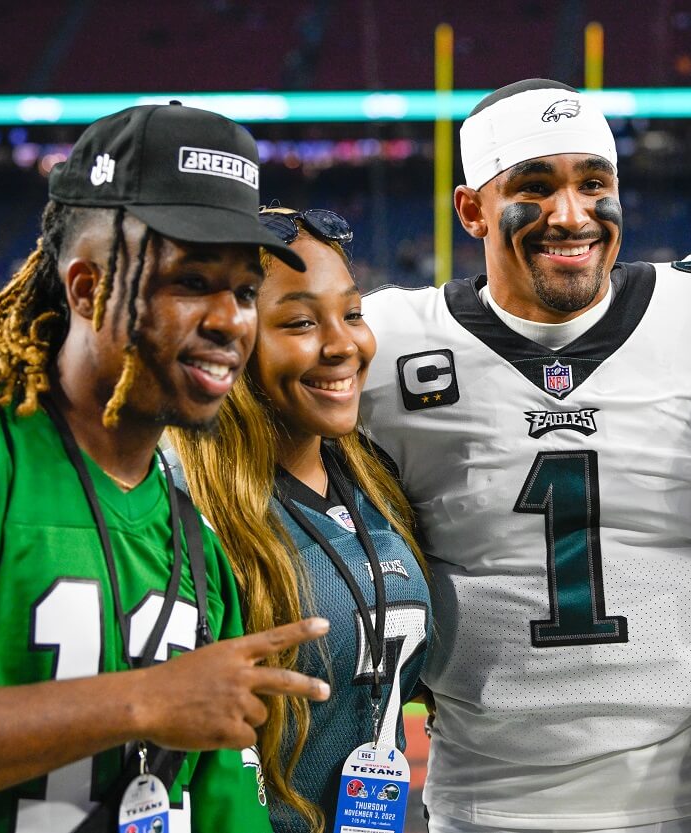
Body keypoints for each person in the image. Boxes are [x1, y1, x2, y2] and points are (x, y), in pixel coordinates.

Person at [359, 78, 691, 833]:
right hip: (484, 801)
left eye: (593, 183)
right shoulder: (387, 347)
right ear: (471, 209)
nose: (572, 214)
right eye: (534, 187)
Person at [0, 103, 335, 833]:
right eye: (191, 281)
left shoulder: (196, 540)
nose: (233, 320)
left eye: (242, 290)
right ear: (86, 288)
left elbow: (221, 807)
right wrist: (142, 700)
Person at [169, 206, 431, 833]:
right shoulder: (184, 506)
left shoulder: (374, 478)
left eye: (353, 313)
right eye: (302, 322)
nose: (343, 344)